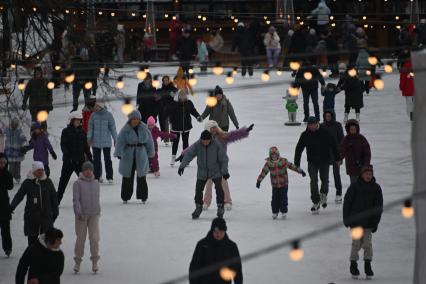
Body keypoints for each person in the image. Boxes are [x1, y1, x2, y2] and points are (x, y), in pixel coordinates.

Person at [177, 120, 253, 211]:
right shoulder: (205, 138)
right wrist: (183, 154)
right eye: (212, 128)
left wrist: (245, 131)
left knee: (223, 183)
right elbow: (193, 147)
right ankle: (206, 202)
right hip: (209, 165)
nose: (214, 130)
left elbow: (234, 135)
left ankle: (227, 201)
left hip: (220, 165)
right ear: (208, 129)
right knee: (208, 184)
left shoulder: (223, 136)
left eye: (215, 127)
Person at [178, 130, 229, 219]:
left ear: (210, 139)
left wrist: (225, 172)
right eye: (203, 140)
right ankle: (198, 207)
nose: (205, 142)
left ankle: (220, 207)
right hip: (202, 172)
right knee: (198, 190)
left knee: (219, 189)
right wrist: (182, 166)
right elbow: (190, 154)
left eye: (207, 141)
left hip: (215, 171)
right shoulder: (198, 145)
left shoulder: (217, 145)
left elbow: (224, 159)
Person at [343, 165, 383, 280]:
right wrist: (347, 219)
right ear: (361, 174)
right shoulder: (354, 187)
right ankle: (353, 264)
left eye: (370, 174)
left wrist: (375, 222)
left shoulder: (376, 188)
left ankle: (367, 265)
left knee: (367, 244)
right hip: (355, 222)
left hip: (369, 223)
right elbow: (347, 203)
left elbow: (378, 206)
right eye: (366, 174)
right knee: (356, 244)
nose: (368, 176)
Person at [294, 117, 341, 213]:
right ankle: (315, 201)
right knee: (313, 181)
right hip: (312, 162)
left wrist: (337, 158)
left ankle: (323, 194)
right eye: (309, 125)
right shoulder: (305, 135)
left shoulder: (325, 132)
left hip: (324, 161)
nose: (311, 126)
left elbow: (334, 145)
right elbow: (299, 149)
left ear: (317, 123)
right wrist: (297, 164)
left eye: (313, 124)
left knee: (324, 180)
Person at [11, 161, 59, 245]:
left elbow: (54, 197)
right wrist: (12, 206)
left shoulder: (48, 182)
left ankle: (45, 256)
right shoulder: (27, 183)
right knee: (32, 239)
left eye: (42, 170)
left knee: (46, 239)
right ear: (33, 171)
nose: (40, 172)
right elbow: (19, 196)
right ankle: (32, 256)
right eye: (38, 170)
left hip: (46, 216)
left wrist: (55, 211)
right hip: (32, 216)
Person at [114, 110, 155, 204]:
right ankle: (125, 196)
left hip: (141, 154)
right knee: (127, 176)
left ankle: (143, 196)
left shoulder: (144, 128)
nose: (135, 121)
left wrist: (151, 152)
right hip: (128, 154)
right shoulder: (125, 129)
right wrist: (118, 152)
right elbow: (120, 141)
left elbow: (150, 141)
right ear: (130, 119)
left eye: (137, 119)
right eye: (134, 119)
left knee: (141, 176)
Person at [256, 147, 305, 219]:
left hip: (283, 184)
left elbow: (292, 166)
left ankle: (284, 211)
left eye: (275, 154)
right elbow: (264, 172)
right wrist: (259, 181)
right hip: (275, 185)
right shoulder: (268, 163)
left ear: (278, 154)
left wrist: (300, 171)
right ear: (270, 155)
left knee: (283, 198)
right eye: (272, 155)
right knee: (275, 199)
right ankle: (275, 212)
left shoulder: (283, 161)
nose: (274, 156)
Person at [189, 218, 243, 284]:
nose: (218, 234)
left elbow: (237, 269)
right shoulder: (202, 245)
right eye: (216, 232)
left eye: (221, 232)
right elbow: (194, 267)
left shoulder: (232, 246)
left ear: (225, 231)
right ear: (212, 231)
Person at [57, 113, 92, 204]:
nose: (78, 122)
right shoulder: (66, 131)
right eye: (76, 120)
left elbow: (85, 147)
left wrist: (90, 157)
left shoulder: (82, 132)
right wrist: (67, 154)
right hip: (68, 162)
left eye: (80, 120)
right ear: (72, 120)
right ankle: (56, 201)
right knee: (63, 182)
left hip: (80, 161)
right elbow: (63, 145)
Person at [72, 161, 101, 274]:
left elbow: (96, 199)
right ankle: (77, 262)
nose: (88, 172)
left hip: (94, 215)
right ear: (82, 171)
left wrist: (98, 210)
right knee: (80, 239)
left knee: (94, 238)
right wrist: (78, 212)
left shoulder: (96, 183)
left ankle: (95, 261)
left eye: (90, 169)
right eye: (86, 170)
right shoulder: (78, 183)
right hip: (82, 216)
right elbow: (76, 199)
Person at [165, 89, 201, 166]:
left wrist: (198, 116)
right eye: (181, 95)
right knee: (175, 142)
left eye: (185, 95)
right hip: (176, 126)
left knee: (185, 142)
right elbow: (167, 111)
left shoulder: (189, 103)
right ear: (178, 96)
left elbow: (193, 111)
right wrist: (174, 103)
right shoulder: (174, 103)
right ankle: (173, 157)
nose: (183, 96)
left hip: (186, 126)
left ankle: (185, 158)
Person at [87, 101, 117, 183]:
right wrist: (89, 138)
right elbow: (90, 128)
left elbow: (113, 128)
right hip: (95, 142)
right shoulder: (93, 115)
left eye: (97, 106)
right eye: (95, 106)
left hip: (106, 142)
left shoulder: (109, 115)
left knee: (107, 159)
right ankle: (97, 176)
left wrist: (115, 139)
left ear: (101, 107)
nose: (95, 108)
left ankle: (109, 177)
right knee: (96, 160)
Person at [320, 110, 344, 203]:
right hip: (325, 154)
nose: (328, 118)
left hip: (335, 154)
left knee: (336, 174)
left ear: (332, 116)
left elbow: (341, 139)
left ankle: (338, 193)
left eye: (329, 116)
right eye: (326, 116)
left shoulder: (337, 125)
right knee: (324, 176)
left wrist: (340, 156)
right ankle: (324, 193)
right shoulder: (322, 126)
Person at [340, 119, 371, 184]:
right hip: (352, 168)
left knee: (363, 185)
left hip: (362, 167)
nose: (353, 131)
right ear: (348, 130)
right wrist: (339, 159)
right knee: (354, 185)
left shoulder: (361, 138)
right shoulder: (346, 140)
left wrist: (366, 164)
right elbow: (342, 151)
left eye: (354, 129)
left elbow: (367, 152)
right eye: (351, 129)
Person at [4, 117, 27, 184]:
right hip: (10, 152)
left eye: (15, 124)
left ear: (17, 124)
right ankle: (10, 178)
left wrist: (24, 146)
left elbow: (23, 139)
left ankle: (17, 177)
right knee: (11, 167)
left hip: (17, 152)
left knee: (17, 166)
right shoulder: (8, 130)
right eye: (13, 124)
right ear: (11, 124)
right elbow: (2, 131)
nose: (14, 125)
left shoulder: (19, 131)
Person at [158, 76, 178, 145]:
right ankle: (166, 140)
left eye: (167, 80)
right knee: (165, 125)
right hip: (164, 110)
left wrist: (174, 95)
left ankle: (172, 139)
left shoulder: (174, 89)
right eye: (164, 80)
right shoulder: (161, 90)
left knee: (172, 124)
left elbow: (178, 97)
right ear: (162, 81)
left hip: (172, 109)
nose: (165, 82)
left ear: (169, 81)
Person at [0, 153, 13, 257]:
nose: (2, 164)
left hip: (4, 205)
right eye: (0, 162)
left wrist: (6, 174)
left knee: (5, 228)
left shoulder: (7, 174)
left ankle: (7, 247)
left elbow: (10, 186)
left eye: (4, 162)